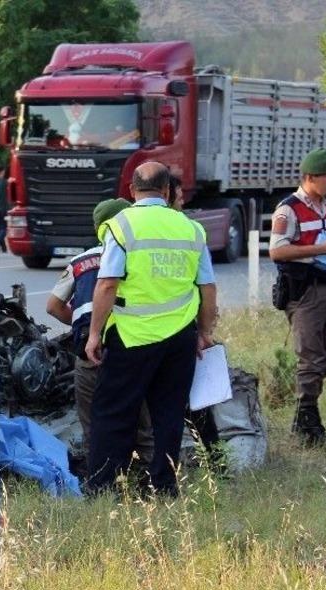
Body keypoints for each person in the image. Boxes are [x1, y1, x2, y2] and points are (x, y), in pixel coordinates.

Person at [84, 162, 218, 496]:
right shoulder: (191, 229)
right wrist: (204, 332)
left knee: (113, 413)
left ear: (132, 190)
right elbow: (208, 287)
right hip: (180, 337)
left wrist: (94, 333)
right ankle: (164, 486)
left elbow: (107, 284)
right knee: (169, 415)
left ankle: (104, 486)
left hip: (132, 336)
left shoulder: (121, 225)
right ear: (166, 190)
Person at [45, 198, 154, 464]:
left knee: (93, 426)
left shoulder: (79, 261)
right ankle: (150, 475)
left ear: (97, 228)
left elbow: (53, 307)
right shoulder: (138, 254)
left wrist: (83, 324)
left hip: (89, 355)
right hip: (131, 348)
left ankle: (100, 476)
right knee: (142, 423)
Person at [269, 148, 326, 449]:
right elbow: (277, 251)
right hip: (304, 291)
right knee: (311, 357)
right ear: (310, 177)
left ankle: (305, 417)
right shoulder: (288, 209)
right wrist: (321, 249)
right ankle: (307, 425)